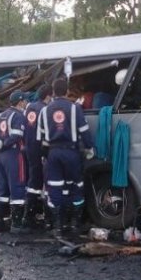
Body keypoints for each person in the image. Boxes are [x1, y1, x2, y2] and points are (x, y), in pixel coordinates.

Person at [37, 78, 95, 239]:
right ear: (67, 90)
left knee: (54, 188)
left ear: (53, 91)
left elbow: (40, 138)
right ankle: (75, 224)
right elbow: (84, 130)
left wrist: (45, 155)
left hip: (53, 154)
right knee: (76, 186)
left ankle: (57, 227)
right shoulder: (75, 108)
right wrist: (90, 148)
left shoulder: (44, 111)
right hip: (72, 153)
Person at [0, 91, 30, 234]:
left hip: (1, 156)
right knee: (17, 187)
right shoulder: (18, 116)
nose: (26, 103)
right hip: (14, 155)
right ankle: (17, 226)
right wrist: (6, 143)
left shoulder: (0, 116)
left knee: (1, 188)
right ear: (20, 102)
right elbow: (17, 136)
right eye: (25, 101)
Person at [22, 83, 53, 229]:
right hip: (41, 149)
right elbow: (47, 131)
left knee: (33, 180)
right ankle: (47, 218)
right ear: (48, 96)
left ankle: (29, 215)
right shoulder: (45, 109)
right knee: (44, 182)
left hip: (29, 147)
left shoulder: (29, 107)